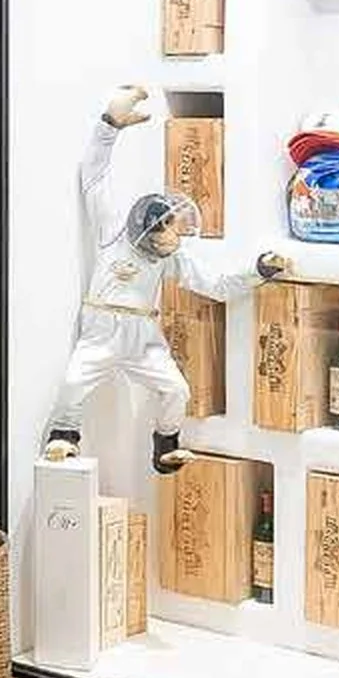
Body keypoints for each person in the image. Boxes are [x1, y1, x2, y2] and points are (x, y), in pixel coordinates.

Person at [43, 84, 289, 472]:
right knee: (75, 383)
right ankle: (63, 436)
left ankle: (165, 447)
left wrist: (257, 271)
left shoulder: (172, 257)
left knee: (176, 389)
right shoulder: (113, 233)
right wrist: (110, 125)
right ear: (152, 228)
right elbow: (93, 176)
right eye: (174, 225)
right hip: (101, 329)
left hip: (144, 336)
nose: (181, 232)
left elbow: (217, 285)